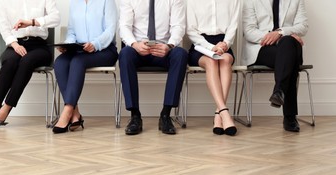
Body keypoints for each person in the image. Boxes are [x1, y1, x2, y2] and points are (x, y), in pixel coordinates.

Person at [0, 0, 60, 129]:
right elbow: (3, 26)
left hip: (39, 46)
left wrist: (31, 22)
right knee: (10, 61)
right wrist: (15, 45)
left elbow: (56, 18)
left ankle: (7, 107)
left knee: (26, 61)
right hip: (15, 44)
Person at [118, 0, 188, 135]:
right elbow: (124, 26)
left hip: (163, 49)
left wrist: (169, 46)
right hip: (139, 49)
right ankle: (135, 116)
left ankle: (166, 115)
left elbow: (178, 26)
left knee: (181, 54)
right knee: (125, 54)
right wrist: (134, 44)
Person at [52, 0, 119, 134]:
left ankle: (67, 110)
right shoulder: (75, 3)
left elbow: (111, 29)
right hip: (81, 50)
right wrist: (68, 45)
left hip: (105, 50)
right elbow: (71, 31)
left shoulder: (107, 1)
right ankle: (76, 114)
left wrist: (95, 43)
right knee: (59, 62)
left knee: (77, 62)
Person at [242, 0, 309, 132]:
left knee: (288, 45)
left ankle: (279, 91)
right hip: (262, 48)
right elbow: (249, 31)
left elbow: (303, 26)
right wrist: (275, 37)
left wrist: (281, 32)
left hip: (289, 47)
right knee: (289, 54)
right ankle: (290, 116)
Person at [186, 0, 240, 136]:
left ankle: (218, 114)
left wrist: (225, 45)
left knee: (226, 60)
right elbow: (191, 31)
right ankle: (224, 112)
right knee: (211, 62)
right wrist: (211, 47)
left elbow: (233, 26)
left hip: (223, 44)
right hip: (200, 45)